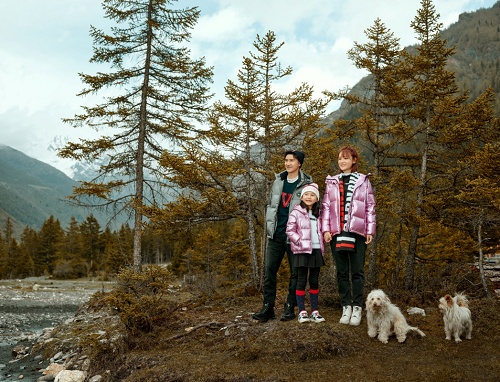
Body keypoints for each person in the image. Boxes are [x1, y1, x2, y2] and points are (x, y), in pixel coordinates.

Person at [252, 149, 313, 322]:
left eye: (292, 160)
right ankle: (268, 307)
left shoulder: (306, 183)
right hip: (276, 234)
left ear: (299, 163)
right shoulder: (278, 181)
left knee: (296, 273)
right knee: (269, 270)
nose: (288, 163)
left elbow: (311, 208)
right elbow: (272, 205)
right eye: (286, 160)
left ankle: (289, 307)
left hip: (294, 237)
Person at [321, 146, 376, 326]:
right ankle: (346, 307)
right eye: (339, 159)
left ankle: (358, 307)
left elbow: (370, 206)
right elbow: (326, 207)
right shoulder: (332, 182)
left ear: (354, 160)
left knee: (357, 271)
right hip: (337, 232)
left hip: (357, 232)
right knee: (341, 271)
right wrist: (326, 230)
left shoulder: (363, 181)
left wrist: (370, 230)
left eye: (346, 158)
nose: (342, 161)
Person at [286, 183, 326, 323]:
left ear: (316, 199)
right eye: (306, 194)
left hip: (316, 252)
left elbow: (321, 231)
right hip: (301, 251)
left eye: (312, 195)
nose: (309, 197)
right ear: (302, 197)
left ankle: (314, 311)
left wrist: (324, 242)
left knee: (314, 281)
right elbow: (290, 230)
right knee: (301, 280)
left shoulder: (319, 214)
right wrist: (299, 242)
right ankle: (302, 311)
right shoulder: (296, 212)